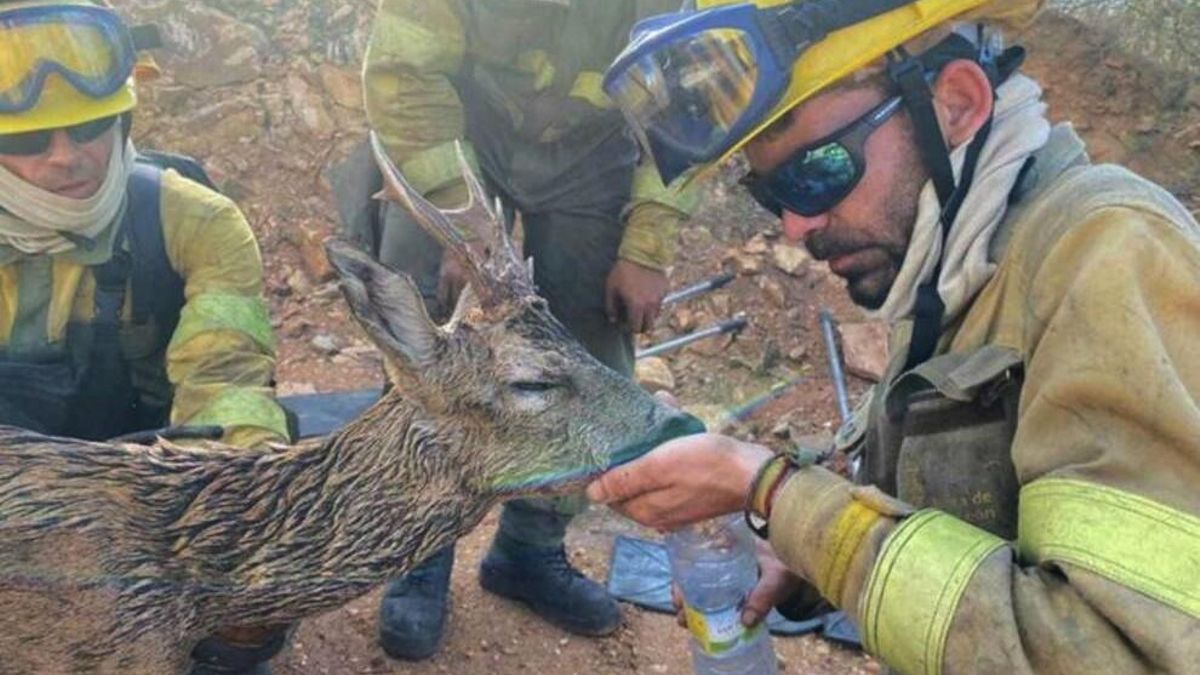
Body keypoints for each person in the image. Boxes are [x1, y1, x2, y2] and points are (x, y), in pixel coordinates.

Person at [589, 0, 1200, 672]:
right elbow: (965, 530)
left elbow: (1116, 649)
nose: (795, 224)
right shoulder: (958, 274)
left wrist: (772, 490)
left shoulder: (1110, 254)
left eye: (816, 172)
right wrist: (800, 557)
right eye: (771, 195)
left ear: (958, 104)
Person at [356, 0, 702, 661]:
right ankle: (419, 547)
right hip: (460, 127)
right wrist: (456, 214)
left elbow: (686, 91)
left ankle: (529, 548)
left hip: (596, 143)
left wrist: (648, 243)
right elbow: (403, 72)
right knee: (427, 337)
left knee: (589, 347)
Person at [0, 2, 293, 673]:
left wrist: (246, 504)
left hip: (155, 491)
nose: (67, 156)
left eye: (88, 126)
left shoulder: (197, 221)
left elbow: (228, 375)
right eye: (27, 143)